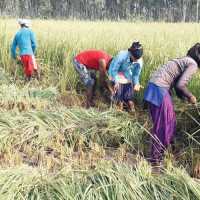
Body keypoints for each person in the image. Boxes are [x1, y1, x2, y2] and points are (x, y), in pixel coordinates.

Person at [143, 43, 200, 164]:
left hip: (154, 87)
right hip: (160, 89)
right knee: (165, 124)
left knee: (163, 123)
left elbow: (176, 85)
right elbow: (180, 85)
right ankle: (156, 158)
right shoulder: (193, 64)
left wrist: (184, 100)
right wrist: (191, 96)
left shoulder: (184, 59)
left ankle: (167, 151)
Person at [108, 42, 143, 111]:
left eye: (138, 58)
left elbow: (135, 74)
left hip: (126, 72)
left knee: (130, 95)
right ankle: (120, 112)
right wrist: (116, 81)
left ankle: (133, 112)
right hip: (115, 72)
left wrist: (136, 83)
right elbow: (115, 70)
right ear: (131, 54)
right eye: (135, 58)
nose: (136, 60)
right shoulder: (121, 56)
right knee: (119, 94)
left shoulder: (139, 61)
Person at [11, 19, 42, 84]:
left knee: (28, 73)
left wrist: (14, 57)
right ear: (26, 25)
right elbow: (35, 44)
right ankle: (41, 86)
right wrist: (32, 52)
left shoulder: (17, 34)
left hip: (22, 55)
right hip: (29, 54)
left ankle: (25, 88)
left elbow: (12, 47)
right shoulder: (30, 31)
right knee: (38, 70)